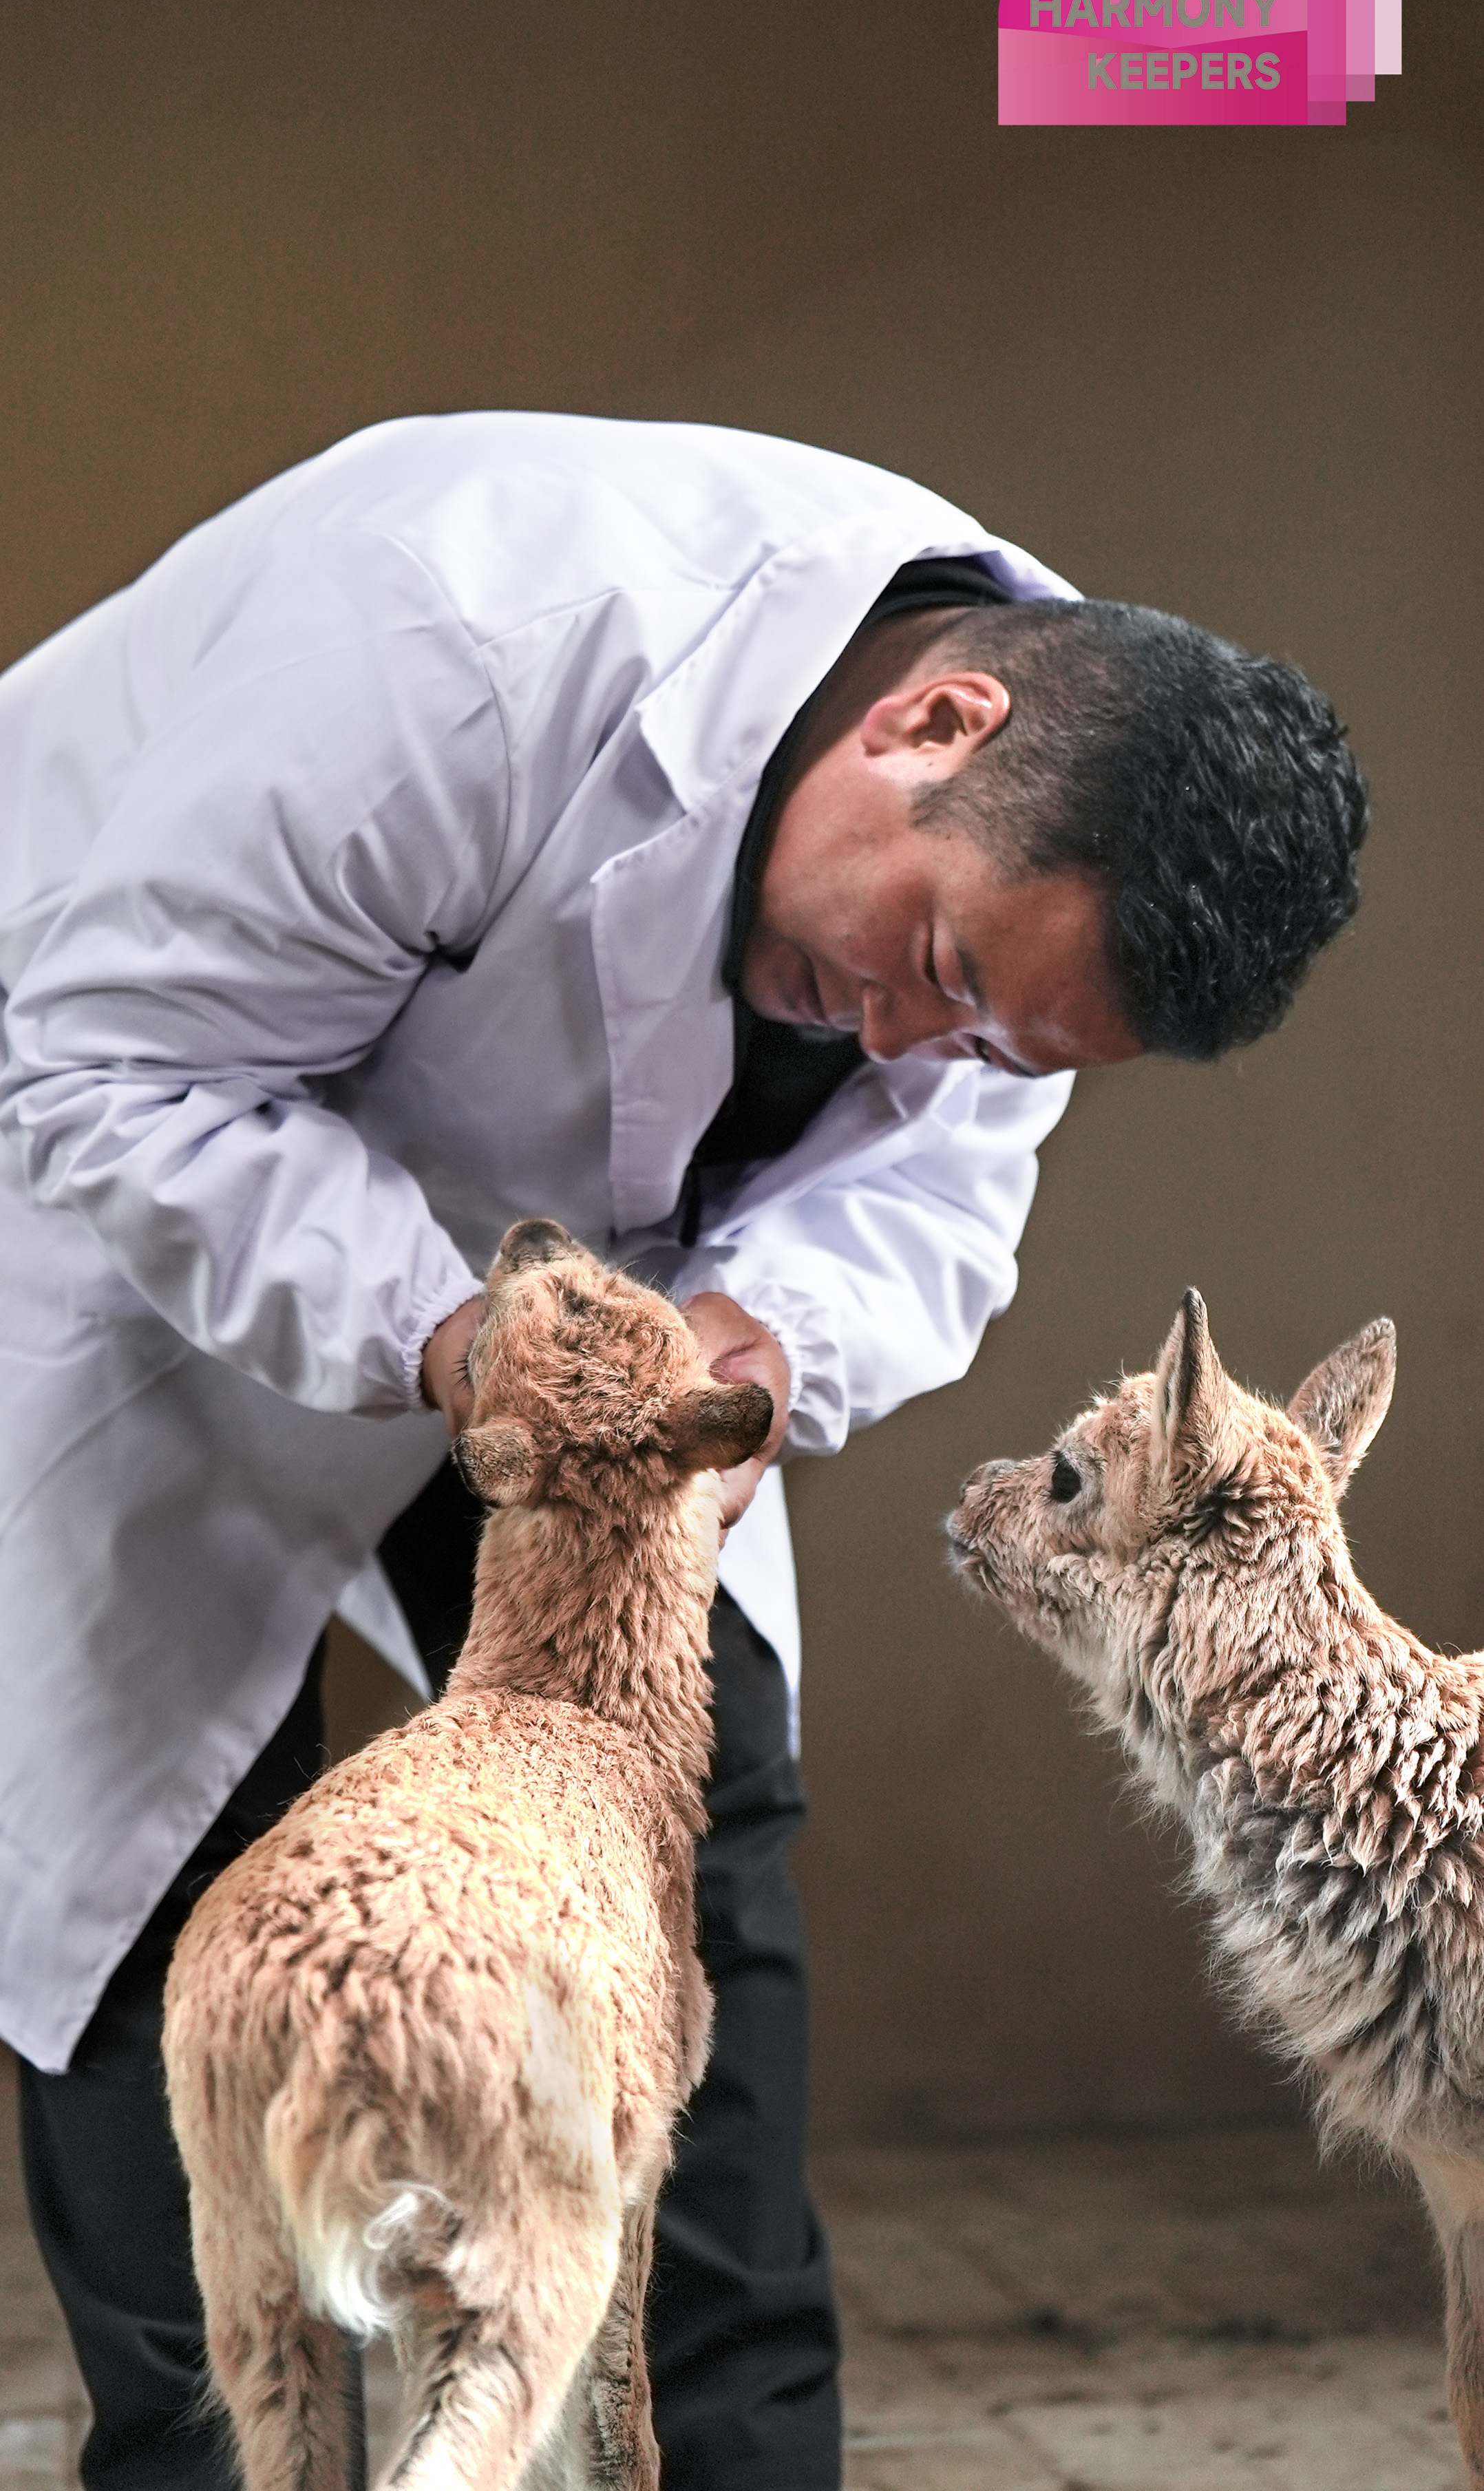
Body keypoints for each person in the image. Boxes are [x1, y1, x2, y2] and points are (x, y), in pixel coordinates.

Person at [0, 413, 1367, 2491]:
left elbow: (926, 1200)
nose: (907, 1047)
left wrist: (763, 1339)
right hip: (121, 1194)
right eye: (928, 969)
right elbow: (114, 1064)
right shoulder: (464, 630)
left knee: (686, 1816)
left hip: (602, 1315)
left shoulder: (1036, 846)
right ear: (929, 719)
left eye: (986, 1040)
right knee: (164, 1878)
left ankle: (735, 2466)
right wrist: (458, 1336)